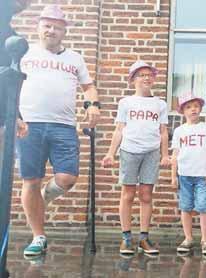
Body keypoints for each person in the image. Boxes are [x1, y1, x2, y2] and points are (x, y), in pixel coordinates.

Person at [17, 5, 100, 257]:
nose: (51, 30)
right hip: (29, 124)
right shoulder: (25, 53)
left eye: (57, 26)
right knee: (30, 180)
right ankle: (38, 236)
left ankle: (43, 197)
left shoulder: (74, 58)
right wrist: (14, 116)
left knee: (67, 178)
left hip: (64, 125)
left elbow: (88, 87)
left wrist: (93, 105)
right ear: (38, 27)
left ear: (64, 31)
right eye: (47, 25)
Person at [102, 60, 169, 256]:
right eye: (141, 75)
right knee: (128, 194)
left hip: (151, 152)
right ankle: (126, 238)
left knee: (146, 195)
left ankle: (144, 238)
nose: (146, 77)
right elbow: (119, 129)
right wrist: (110, 153)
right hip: (129, 150)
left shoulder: (160, 104)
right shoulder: (126, 102)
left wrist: (165, 155)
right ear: (133, 80)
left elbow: (163, 132)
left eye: (149, 74)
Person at [171, 92, 206, 255]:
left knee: (203, 206)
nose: (193, 110)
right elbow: (175, 155)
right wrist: (173, 176)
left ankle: (205, 239)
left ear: (201, 109)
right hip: (184, 175)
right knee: (185, 206)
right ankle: (188, 238)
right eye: (189, 107)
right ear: (183, 111)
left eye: (196, 106)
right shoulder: (179, 131)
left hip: (202, 175)